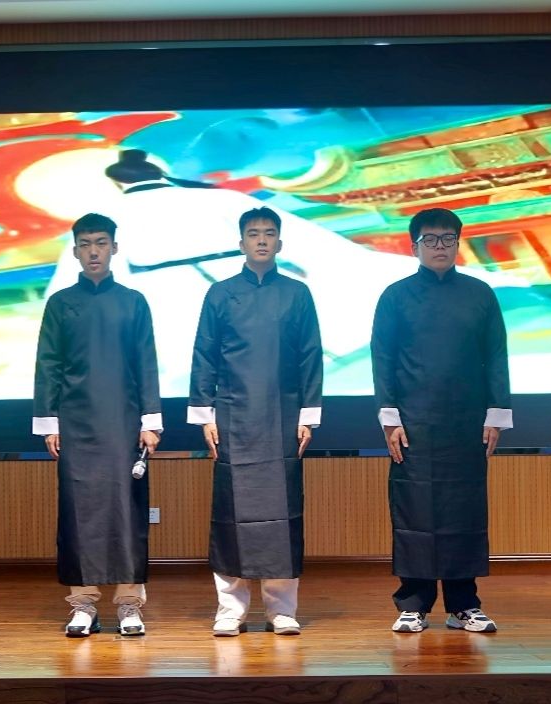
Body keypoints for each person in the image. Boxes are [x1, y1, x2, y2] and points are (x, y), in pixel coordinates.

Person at [44, 149, 417, 394]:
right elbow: (314, 246)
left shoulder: (105, 219)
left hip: (172, 310)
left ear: (116, 182)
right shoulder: (223, 199)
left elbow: (72, 294)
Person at [370, 207, 511, 634]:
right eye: (430, 239)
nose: (440, 247)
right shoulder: (395, 296)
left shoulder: (480, 294)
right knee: (414, 511)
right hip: (413, 424)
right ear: (414, 246)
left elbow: (496, 357)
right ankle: (413, 604)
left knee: (463, 511)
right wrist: (390, 418)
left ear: (458, 244)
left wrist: (496, 415)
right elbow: (383, 359)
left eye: (448, 239)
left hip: (467, 422)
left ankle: (463, 605)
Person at [188, 207, 323, 637]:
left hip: (283, 417)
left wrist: (308, 415)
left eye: (268, 233)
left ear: (279, 242)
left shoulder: (297, 293)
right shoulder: (220, 294)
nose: (261, 240)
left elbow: (310, 355)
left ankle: (281, 610)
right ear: (241, 243)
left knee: (283, 514)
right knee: (231, 514)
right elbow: (205, 355)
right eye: (253, 233)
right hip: (233, 416)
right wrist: (205, 415)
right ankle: (231, 610)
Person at [34, 212, 162, 637]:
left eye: (101, 243)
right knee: (79, 513)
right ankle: (83, 604)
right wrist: (50, 423)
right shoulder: (60, 304)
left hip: (124, 424)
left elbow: (146, 363)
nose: (94, 251)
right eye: (86, 244)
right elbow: (48, 365)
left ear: (114, 248)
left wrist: (150, 421)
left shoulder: (134, 302)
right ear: (75, 251)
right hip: (76, 425)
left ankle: (129, 604)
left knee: (127, 512)